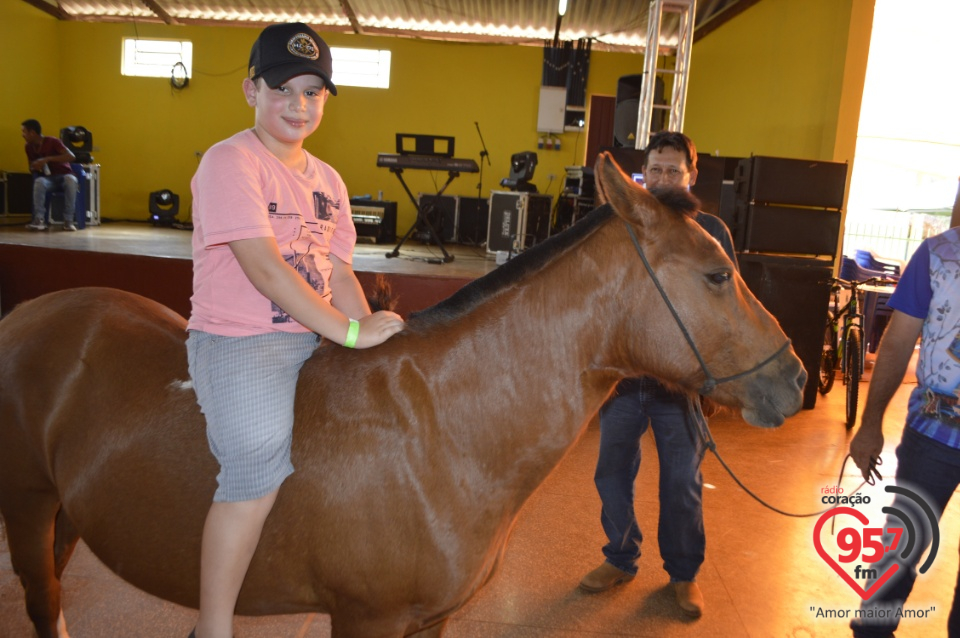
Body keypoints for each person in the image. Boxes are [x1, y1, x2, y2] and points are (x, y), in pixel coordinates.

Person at [186, 23, 404, 638]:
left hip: (316, 331)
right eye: (283, 88)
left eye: (313, 93)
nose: (298, 105)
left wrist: (367, 327)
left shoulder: (328, 179)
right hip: (241, 338)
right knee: (254, 458)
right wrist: (350, 335)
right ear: (252, 90)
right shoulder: (231, 160)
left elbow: (335, 269)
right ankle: (214, 625)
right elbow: (266, 270)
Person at [579, 131, 737, 619]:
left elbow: (726, 310)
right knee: (611, 474)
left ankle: (684, 575)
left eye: (674, 171)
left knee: (681, 482)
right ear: (642, 175)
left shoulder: (709, 229)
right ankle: (620, 558)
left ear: (692, 176)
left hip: (679, 388)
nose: (664, 179)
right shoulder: (621, 223)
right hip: (626, 380)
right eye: (656, 170)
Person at [848, 227, 960, 638]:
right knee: (901, 549)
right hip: (933, 435)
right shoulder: (938, 254)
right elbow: (897, 342)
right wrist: (870, 425)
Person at [21, 119, 79, 231]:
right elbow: (31, 168)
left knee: (70, 180)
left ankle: (68, 220)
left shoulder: (52, 141)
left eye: (24, 132)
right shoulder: (28, 147)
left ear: (32, 132)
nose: (22, 135)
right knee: (39, 182)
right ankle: (39, 219)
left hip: (64, 176)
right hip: (49, 179)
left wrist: (47, 159)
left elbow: (71, 157)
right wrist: (35, 166)